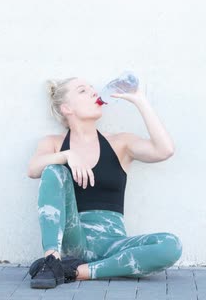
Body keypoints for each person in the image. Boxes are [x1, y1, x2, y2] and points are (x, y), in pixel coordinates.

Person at [26, 76, 182, 289]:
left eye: (92, 89)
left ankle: (78, 272)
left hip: (113, 246)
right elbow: (33, 168)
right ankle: (52, 261)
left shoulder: (120, 143)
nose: (93, 92)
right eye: (83, 91)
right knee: (54, 170)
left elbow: (165, 150)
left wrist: (140, 100)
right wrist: (67, 155)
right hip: (74, 241)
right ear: (66, 108)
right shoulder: (53, 143)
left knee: (170, 246)